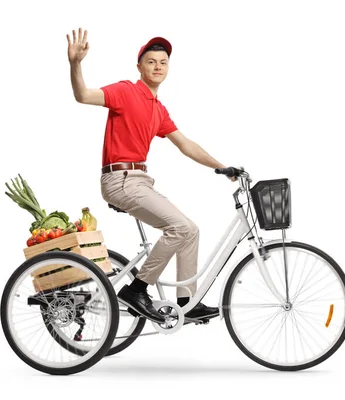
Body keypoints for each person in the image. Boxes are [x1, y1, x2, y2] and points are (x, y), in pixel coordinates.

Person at [66, 28, 235, 323]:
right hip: (120, 180)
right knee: (179, 228)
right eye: (151, 61)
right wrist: (75, 63)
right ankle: (137, 289)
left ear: (168, 68)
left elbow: (186, 145)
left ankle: (187, 301)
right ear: (139, 67)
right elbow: (82, 95)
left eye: (163, 62)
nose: (157, 66)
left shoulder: (158, 109)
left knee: (190, 230)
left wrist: (221, 167)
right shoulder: (125, 91)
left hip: (140, 180)